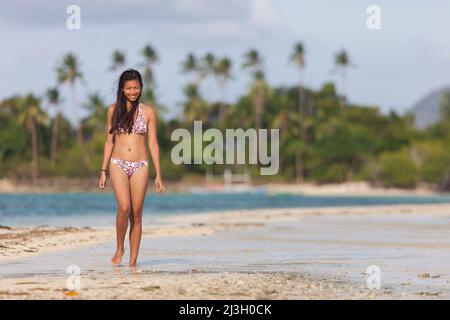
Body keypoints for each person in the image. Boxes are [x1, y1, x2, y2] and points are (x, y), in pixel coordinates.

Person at [98, 68, 165, 267]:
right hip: (117, 163)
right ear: (122, 89)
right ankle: (120, 248)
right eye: (129, 88)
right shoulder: (113, 110)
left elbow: (153, 144)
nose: (133, 91)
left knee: (137, 212)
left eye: (136, 88)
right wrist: (102, 171)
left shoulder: (149, 112)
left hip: (141, 165)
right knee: (124, 208)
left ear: (141, 88)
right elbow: (109, 142)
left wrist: (159, 174)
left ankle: (133, 261)